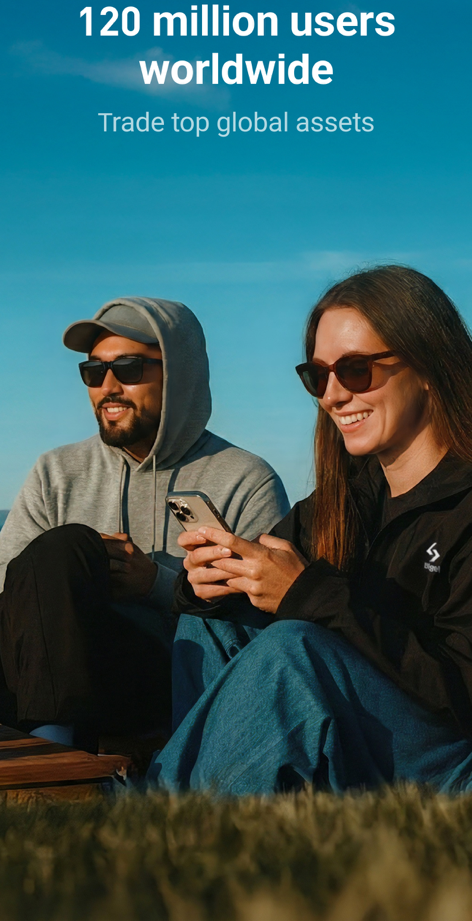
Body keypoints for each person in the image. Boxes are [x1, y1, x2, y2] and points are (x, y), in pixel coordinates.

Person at [148, 265, 472, 795]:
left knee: (294, 651)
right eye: (318, 376)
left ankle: (176, 814)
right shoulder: (347, 499)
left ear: (429, 364)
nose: (334, 395)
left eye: (356, 370)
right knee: (211, 624)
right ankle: (187, 800)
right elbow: (262, 583)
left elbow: (460, 691)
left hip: (449, 757)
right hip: (369, 732)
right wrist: (206, 581)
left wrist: (310, 596)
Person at [0, 297, 289, 750]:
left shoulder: (245, 479)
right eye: (93, 372)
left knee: (67, 546)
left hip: (172, 678)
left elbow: (267, 630)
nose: (107, 386)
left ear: (180, 373)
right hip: (48, 677)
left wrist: (156, 584)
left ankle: (53, 757)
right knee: (65, 550)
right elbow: (9, 590)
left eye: (129, 368)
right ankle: (54, 749)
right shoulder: (55, 471)